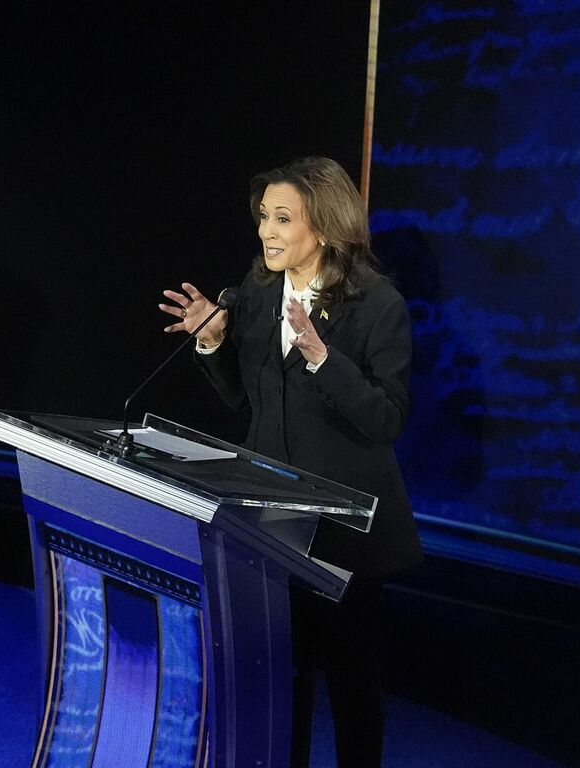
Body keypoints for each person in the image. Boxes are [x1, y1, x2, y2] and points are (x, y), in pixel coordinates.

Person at [159, 156, 422, 768]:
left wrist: (324, 359)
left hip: (343, 527)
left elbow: (388, 418)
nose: (265, 232)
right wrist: (213, 341)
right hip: (269, 519)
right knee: (283, 671)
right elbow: (243, 400)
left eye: (282, 219)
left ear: (325, 227)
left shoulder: (376, 305)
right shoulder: (255, 289)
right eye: (262, 218)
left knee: (350, 676)